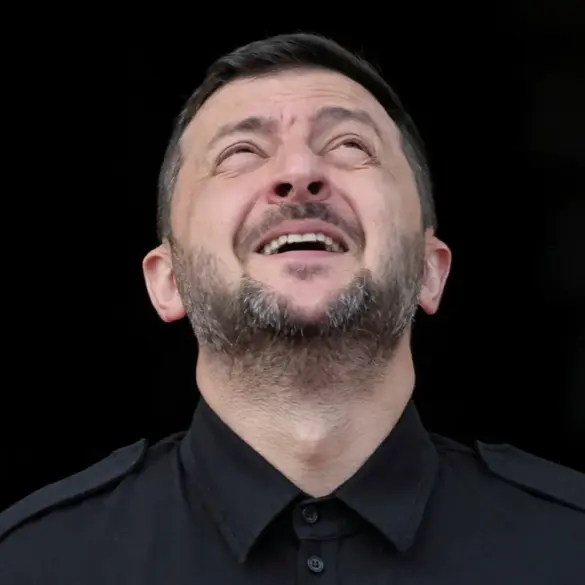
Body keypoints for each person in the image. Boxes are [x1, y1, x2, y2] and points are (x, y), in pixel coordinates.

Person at [1, 32, 583, 584]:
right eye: (240, 152)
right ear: (167, 281)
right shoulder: (33, 564)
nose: (300, 173)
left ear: (430, 270)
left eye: (350, 146)